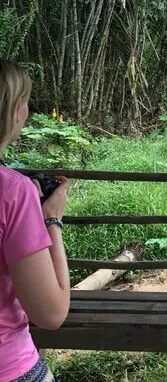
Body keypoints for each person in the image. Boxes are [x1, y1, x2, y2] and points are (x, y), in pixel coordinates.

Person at [0, 59, 70, 382]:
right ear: (15, 110)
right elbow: (51, 313)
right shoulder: (12, 191)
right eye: (25, 101)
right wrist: (52, 221)